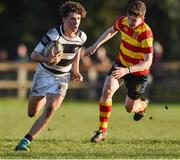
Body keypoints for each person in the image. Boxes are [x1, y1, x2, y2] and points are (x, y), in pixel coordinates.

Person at [15, 1, 87, 151]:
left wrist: (75, 70)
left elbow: (77, 50)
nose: (76, 22)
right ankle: (44, 98)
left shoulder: (82, 37)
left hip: (62, 77)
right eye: (72, 19)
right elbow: (34, 54)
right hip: (44, 74)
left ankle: (25, 141)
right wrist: (48, 59)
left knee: (50, 110)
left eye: (78, 19)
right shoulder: (53, 35)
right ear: (64, 19)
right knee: (32, 113)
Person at [85, 0, 153, 142]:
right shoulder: (122, 22)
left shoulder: (146, 33)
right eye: (130, 19)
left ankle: (143, 105)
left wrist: (127, 71)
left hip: (138, 73)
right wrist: (95, 45)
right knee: (107, 91)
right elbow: (111, 31)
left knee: (129, 108)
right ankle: (102, 131)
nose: (131, 22)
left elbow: (148, 62)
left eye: (134, 20)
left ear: (143, 19)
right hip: (121, 64)